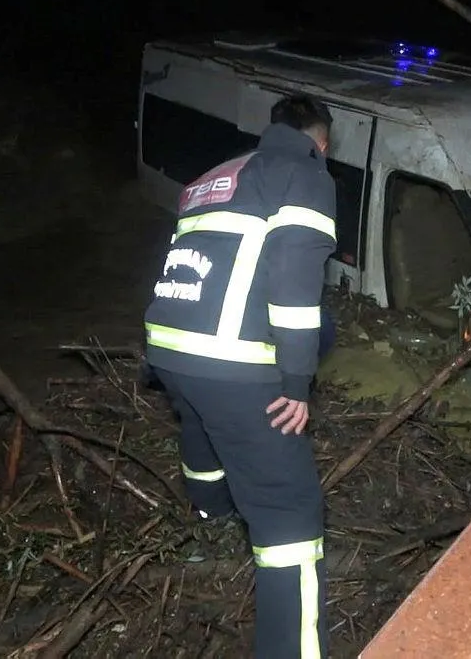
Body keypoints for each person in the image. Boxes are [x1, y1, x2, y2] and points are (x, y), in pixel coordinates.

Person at [143, 93, 336, 659]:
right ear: (321, 142)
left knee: (202, 426)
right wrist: (296, 383)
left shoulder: (213, 177)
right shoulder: (303, 173)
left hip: (169, 345)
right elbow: (296, 285)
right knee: (289, 511)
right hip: (233, 360)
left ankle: (210, 519)